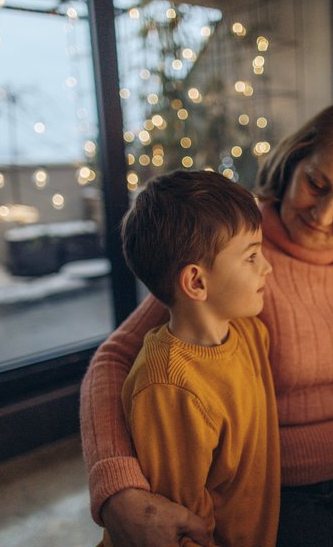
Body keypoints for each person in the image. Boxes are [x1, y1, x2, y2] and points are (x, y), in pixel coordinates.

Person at [80, 100, 333, 547]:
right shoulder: (230, 247)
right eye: (316, 184)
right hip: (273, 493)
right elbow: (115, 358)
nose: (323, 215)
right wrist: (118, 489)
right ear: (295, 161)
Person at [101, 169, 279, 547]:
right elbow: (182, 528)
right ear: (196, 282)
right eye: (251, 256)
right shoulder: (168, 387)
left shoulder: (251, 333)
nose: (267, 266)